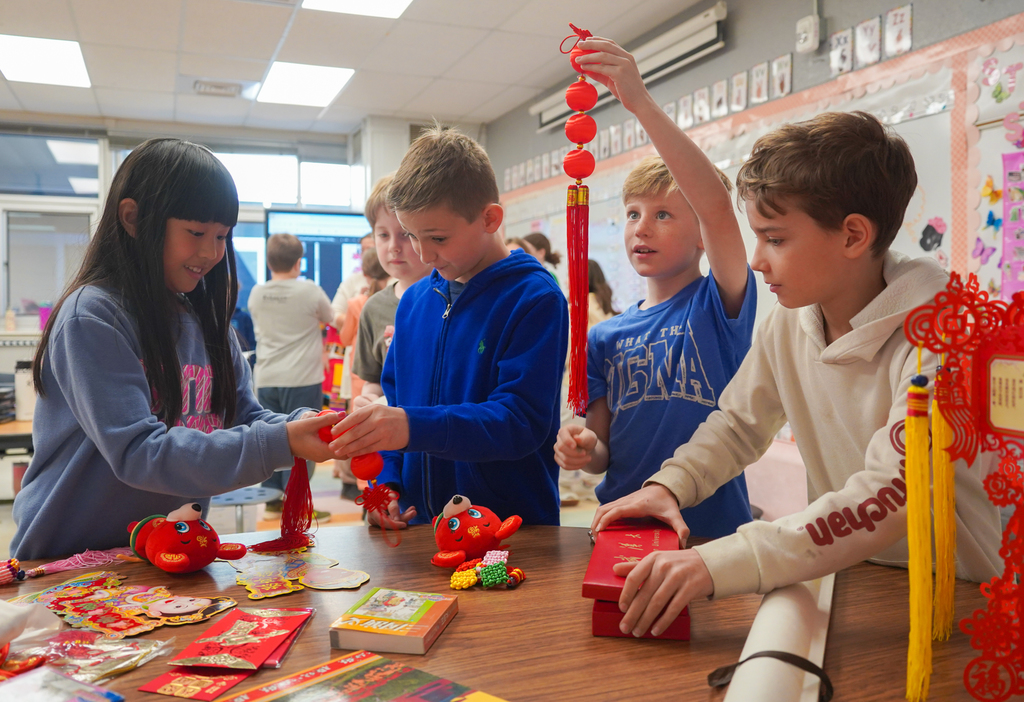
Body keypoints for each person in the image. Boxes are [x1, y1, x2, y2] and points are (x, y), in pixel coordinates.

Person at [577, 38, 1002, 638]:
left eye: (775, 239)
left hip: (957, 601)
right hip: (854, 576)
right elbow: (736, 424)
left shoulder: (944, 335)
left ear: (853, 235)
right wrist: (669, 484)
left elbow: (892, 494)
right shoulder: (790, 316)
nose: (756, 261)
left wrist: (717, 561)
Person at [10, 138, 340, 560]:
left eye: (221, 236)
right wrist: (279, 441)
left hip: (164, 551)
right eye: (196, 232)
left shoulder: (205, 320)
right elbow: (138, 452)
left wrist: (305, 424)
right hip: (70, 559)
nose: (211, 252)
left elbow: (246, 417)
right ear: (132, 218)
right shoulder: (92, 317)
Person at [330, 125, 570, 528]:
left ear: (490, 218)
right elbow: (394, 405)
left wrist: (412, 427)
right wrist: (386, 485)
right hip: (419, 525)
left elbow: (520, 421)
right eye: (411, 235)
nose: (423, 253)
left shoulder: (535, 298)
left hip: (508, 529)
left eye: (437, 237)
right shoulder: (415, 303)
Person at [553, 108, 756, 538]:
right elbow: (601, 454)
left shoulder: (717, 303)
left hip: (710, 528)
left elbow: (717, 209)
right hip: (623, 523)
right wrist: (583, 449)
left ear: (703, 234)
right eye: (632, 213)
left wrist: (635, 99)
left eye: (662, 215)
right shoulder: (603, 336)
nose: (641, 228)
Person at [248, 233, 336, 517]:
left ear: (269, 261)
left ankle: (272, 501)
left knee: (270, 439)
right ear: (299, 263)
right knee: (306, 442)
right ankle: (297, 506)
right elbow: (333, 318)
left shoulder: (256, 293)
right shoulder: (309, 290)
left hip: (268, 376)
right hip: (302, 377)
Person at [350, 174, 433, 411]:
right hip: (392, 440)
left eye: (405, 234)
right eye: (383, 235)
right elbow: (374, 380)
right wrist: (368, 400)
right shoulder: (373, 308)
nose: (393, 246)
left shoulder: (451, 297)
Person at [558, 258, 621, 507]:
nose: (565, 281)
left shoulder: (579, 306)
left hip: (576, 380)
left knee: (569, 433)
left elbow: (571, 346)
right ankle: (587, 486)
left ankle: (565, 488)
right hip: (605, 383)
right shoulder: (606, 304)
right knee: (594, 433)